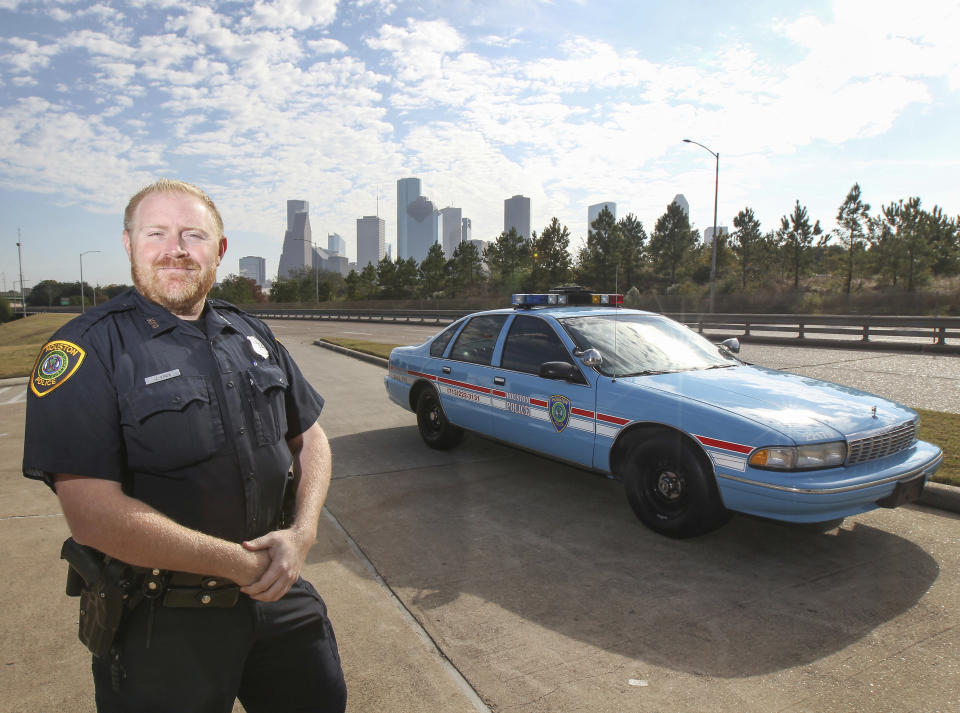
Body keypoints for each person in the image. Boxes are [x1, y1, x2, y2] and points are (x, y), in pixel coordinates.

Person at [22, 179, 347, 713]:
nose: (175, 248)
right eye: (157, 233)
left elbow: (309, 434)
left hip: (279, 596)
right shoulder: (86, 349)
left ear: (218, 251)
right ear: (130, 244)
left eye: (193, 235)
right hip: (160, 622)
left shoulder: (251, 334)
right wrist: (239, 566)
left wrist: (303, 532)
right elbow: (92, 514)